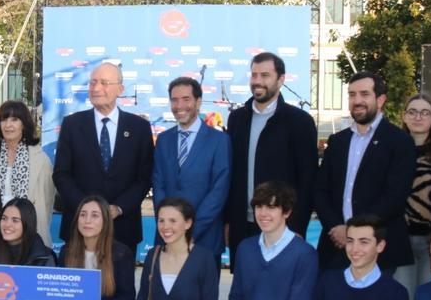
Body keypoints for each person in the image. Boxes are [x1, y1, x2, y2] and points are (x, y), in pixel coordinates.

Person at [314, 71, 416, 272]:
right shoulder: (337, 142)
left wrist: (354, 233)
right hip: (335, 246)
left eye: (364, 94)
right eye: (352, 95)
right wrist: (337, 228)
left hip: (379, 250)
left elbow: (394, 197)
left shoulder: (399, 142)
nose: (357, 100)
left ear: (380, 100)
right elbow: (320, 190)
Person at [225, 52, 317, 265]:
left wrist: (297, 227)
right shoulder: (237, 119)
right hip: (243, 226)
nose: (257, 81)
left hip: (283, 228)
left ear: (281, 79)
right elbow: (232, 176)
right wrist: (229, 221)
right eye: (254, 75)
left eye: (265, 75)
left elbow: (308, 179)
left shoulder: (300, 122)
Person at [53, 61, 155, 250]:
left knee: (119, 280)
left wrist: (118, 208)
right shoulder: (72, 125)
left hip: (123, 229)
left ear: (120, 89)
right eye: (92, 82)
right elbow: (61, 174)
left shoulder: (139, 128)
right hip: (79, 228)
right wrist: (88, 211)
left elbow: (144, 178)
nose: (96, 88)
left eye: (104, 83)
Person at [151, 76, 231, 259]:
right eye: (174, 100)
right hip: (167, 239)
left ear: (198, 102)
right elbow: (159, 185)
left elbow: (219, 190)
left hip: (205, 239)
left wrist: (190, 229)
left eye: (186, 99)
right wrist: (168, 225)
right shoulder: (163, 140)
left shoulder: (219, 141)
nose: (179, 106)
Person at [0, 99, 55, 251]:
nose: (8, 125)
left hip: (28, 237)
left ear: (24, 124)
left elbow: (47, 200)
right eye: (4, 119)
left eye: (14, 119)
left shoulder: (40, 159)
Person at [396, 93, 431, 296]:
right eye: (412, 112)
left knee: (428, 299)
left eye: (425, 112)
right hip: (401, 239)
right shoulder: (392, 151)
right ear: (404, 117)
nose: (418, 117)